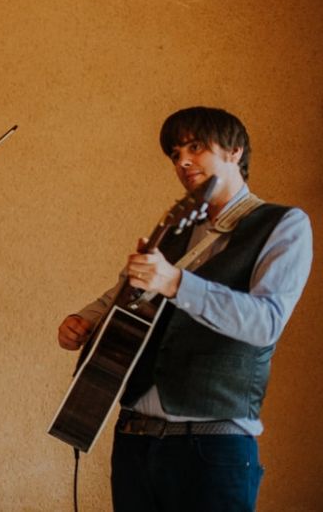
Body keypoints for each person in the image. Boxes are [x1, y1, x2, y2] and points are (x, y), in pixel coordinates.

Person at [56, 106, 312, 512]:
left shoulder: (285, 225)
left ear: (234, 151)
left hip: (213, 448)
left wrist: (175, 283)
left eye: (195, 147)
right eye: (175, 154)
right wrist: (83, 320)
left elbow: (266, 322)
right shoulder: (174, 229)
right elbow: (122, 291)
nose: (183, 162)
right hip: (134, 440)